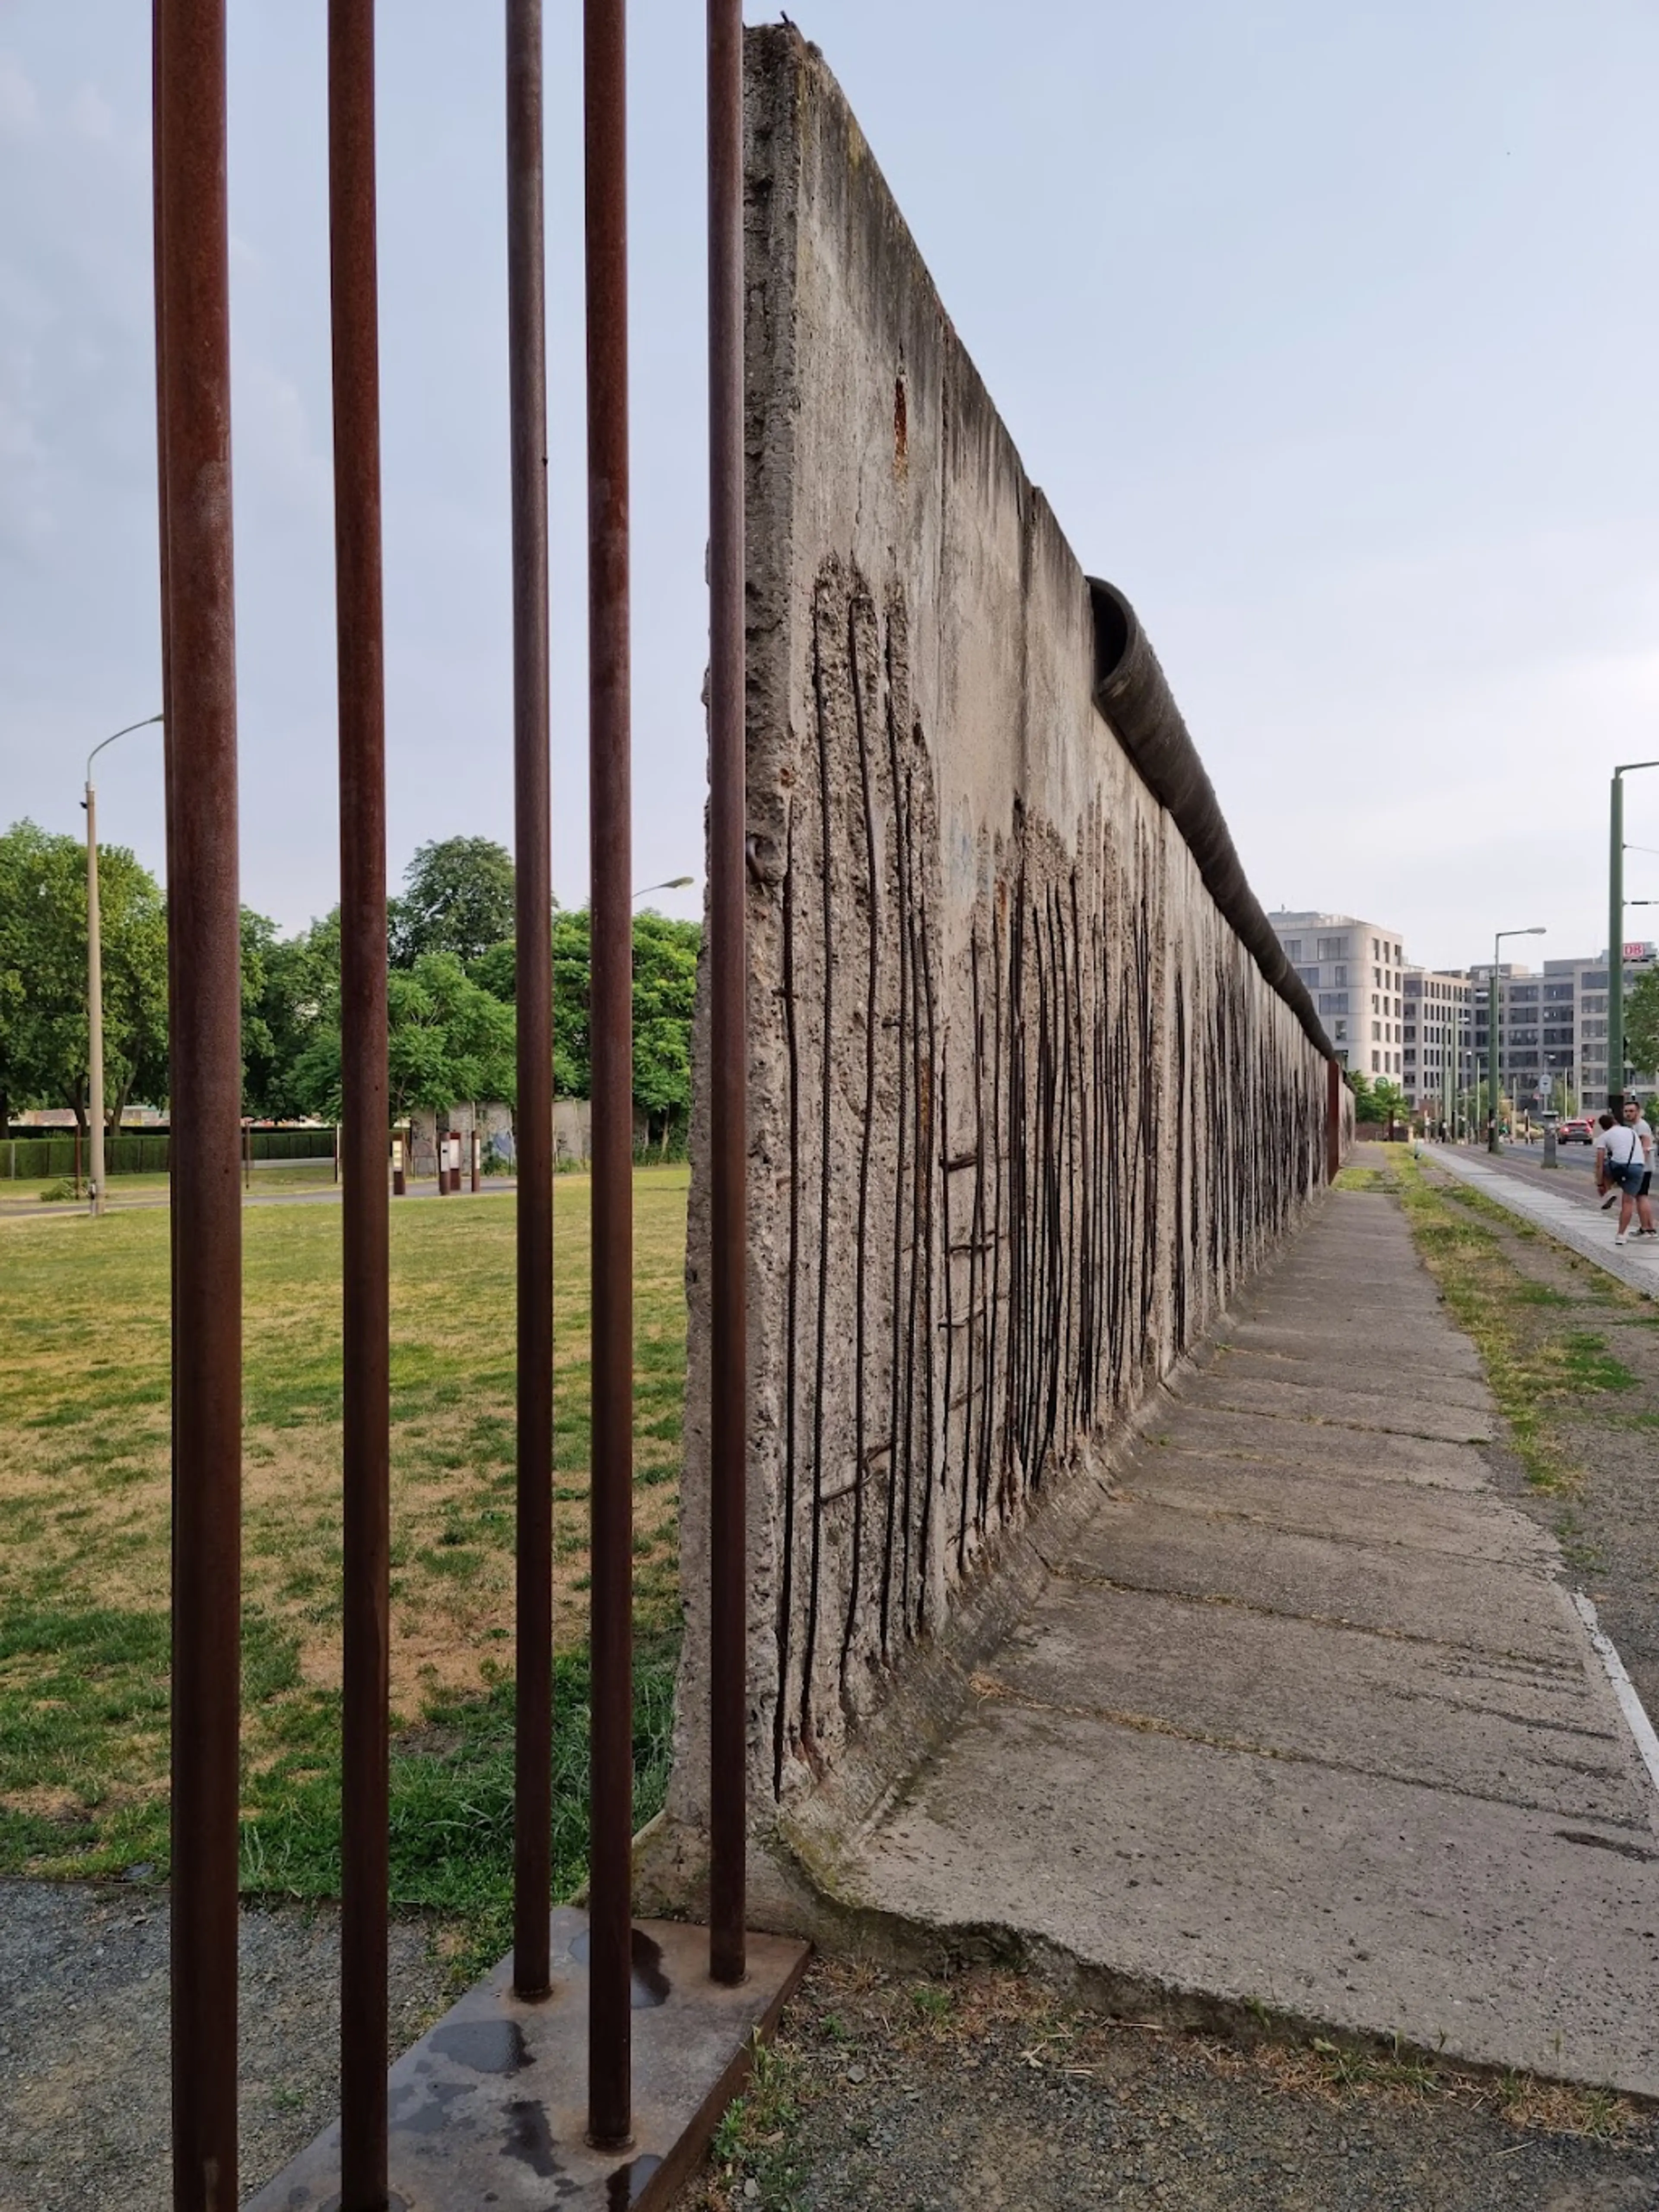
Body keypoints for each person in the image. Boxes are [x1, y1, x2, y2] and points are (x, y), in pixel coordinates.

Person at [1594, 1110, 1646, 1245]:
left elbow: (1599, 1164)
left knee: (1606, 1164)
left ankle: (1609, 1193)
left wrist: (1601, 1185)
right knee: (1628, 1202)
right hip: (1637, 1166)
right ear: (1615, 1122)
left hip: (1618, 1165)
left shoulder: (1605, 1136)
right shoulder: (1632, 1132)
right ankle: (1621, 1236)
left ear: (1604, 1127)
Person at [1622, 1097, 1656, 1237]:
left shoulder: (1642, 1126)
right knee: (1642, 1196)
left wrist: (1640, 1166)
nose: (1628, 1114)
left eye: (1631, 1111)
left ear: (1638, 1112)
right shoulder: (1636, 1126)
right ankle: (1648, 1227)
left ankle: (1647, 1227)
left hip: (1643, 1168)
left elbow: (1646, 1147)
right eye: (1626, 1111)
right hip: (1642, 1167)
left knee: (1641, 1196)